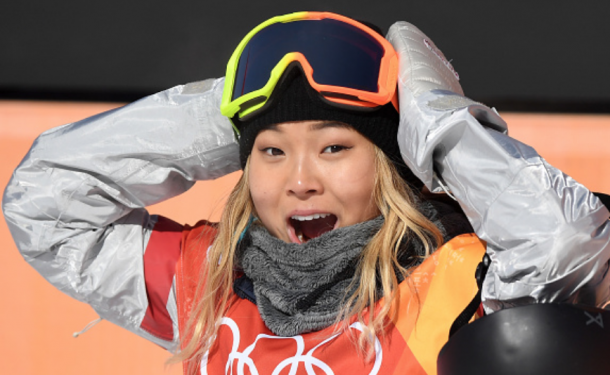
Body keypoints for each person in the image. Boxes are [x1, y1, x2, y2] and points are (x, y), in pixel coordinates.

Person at [3, 11, 610, 375]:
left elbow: (564, 243)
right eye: (271, 153)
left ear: (391, 161)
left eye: (334, 148)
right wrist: (228, 117)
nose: (298, 181)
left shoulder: (463, 282)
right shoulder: (209, 280)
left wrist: (436, 121)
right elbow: (46, 198)